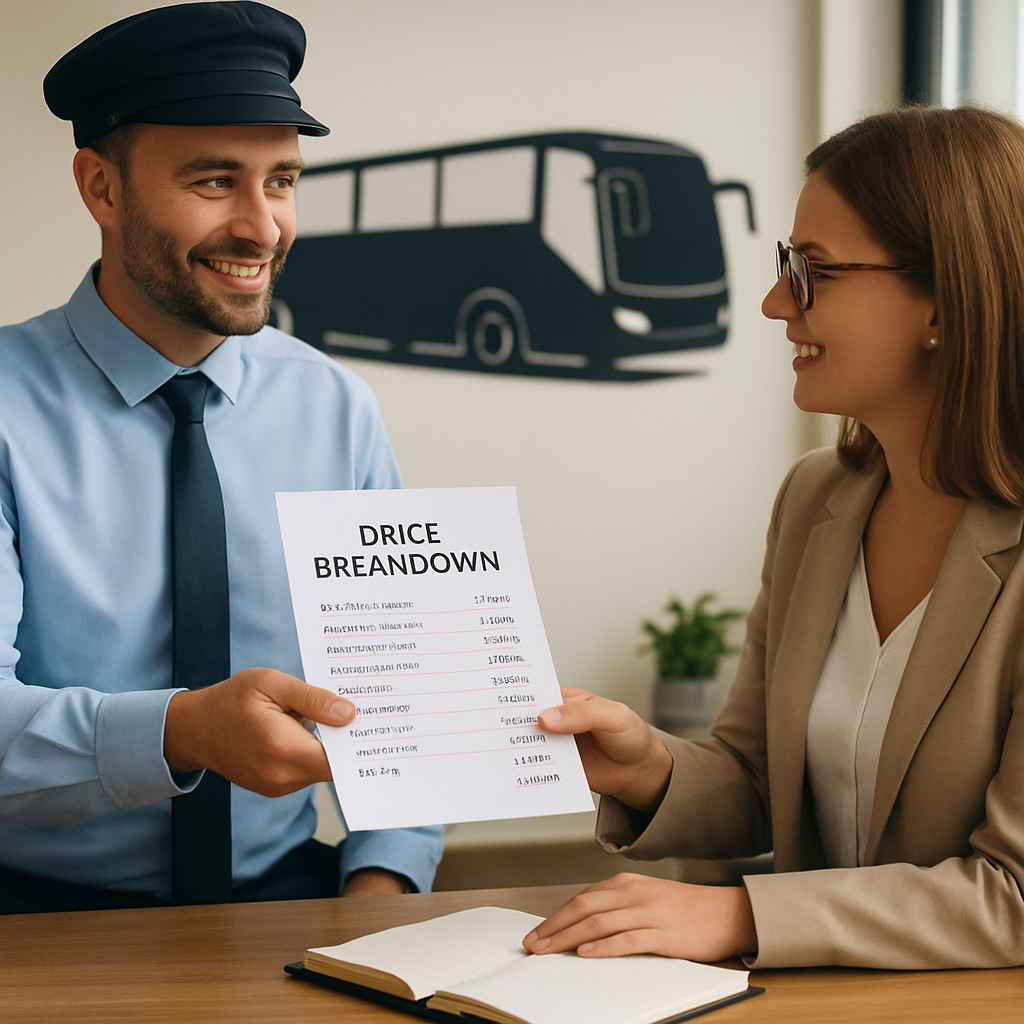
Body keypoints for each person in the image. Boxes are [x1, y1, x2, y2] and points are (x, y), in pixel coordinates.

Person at [523, 106, 1024, 970]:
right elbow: (763, 785)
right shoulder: (815, 502)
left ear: (945, 299)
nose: (771, 302)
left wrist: (741, 919)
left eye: (813, 270)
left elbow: (1012, 899)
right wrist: (646, 767)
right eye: (784, 265)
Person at [0, 1, 442, 912]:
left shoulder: (336, 407)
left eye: (281, 181)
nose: (263, 227)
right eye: (214, 182)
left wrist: (380, 880)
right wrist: (184, 731)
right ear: (102, 189)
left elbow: (396, 690)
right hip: (32, 914)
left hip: (291, 897)